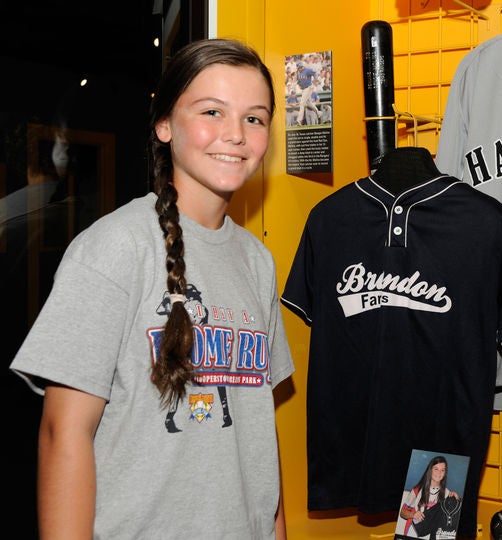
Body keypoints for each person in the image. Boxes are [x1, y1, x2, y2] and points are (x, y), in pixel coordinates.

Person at [9, 37, 295, 540]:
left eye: (255, 118)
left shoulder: (257, 261)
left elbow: (257, 433)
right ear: (164, 125)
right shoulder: (112, 248)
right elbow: (63, 433)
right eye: (212, 111)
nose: (235, 134)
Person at [399, 456, 461, 539]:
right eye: (436, 469)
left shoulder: (447, 493)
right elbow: (402, 513)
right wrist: (413, 514)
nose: (439, 473)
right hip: (413, 533)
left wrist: (456, 500)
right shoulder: (417, 490)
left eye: (442, 470)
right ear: (430, 470)